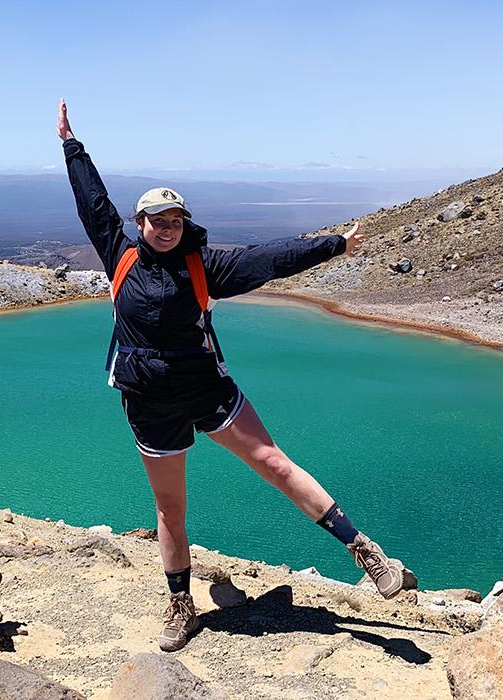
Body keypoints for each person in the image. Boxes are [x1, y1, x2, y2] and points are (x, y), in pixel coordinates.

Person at [56, 100, 413, 653]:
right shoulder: (119, 253)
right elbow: (92, 204)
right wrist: (72, 147)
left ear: (184, 222)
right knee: (170, 508)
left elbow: (268, 258)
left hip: (206, 387)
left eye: (175, 221)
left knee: (274, 463)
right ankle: (180, 604)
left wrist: (333, 244)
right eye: (157, 221)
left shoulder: (206, 266)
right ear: (140, 223)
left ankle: (363, 550)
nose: (167, 229)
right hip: (148, 399)